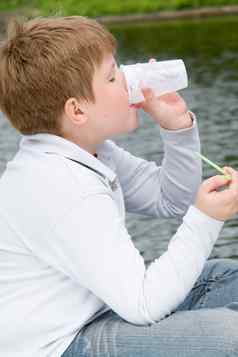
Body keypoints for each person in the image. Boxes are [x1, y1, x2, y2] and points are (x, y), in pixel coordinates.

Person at [0, 16, 238, 357]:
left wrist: (177, 129)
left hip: (104, 311)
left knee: (226, 278)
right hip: (60, 344)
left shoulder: (89, 152)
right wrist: (207, 219)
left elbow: (169, 199)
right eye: (113, 76)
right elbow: (143, 303)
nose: (129, 81)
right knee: (228, 338)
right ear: (77, 110)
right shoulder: (62, 187)